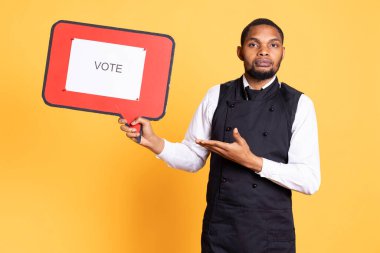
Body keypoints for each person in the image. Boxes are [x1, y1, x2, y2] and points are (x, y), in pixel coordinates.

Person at [119, 18, 320, 253]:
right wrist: (153, 142)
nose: (264, 51)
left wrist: (253, 162)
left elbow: (309, 180)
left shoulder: (299, 104)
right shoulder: (216, 95)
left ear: (283, 53)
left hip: (271, 235)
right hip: (221, 231)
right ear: (240, 51)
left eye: (273, 45)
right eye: (254, 44)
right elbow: (193, 157)